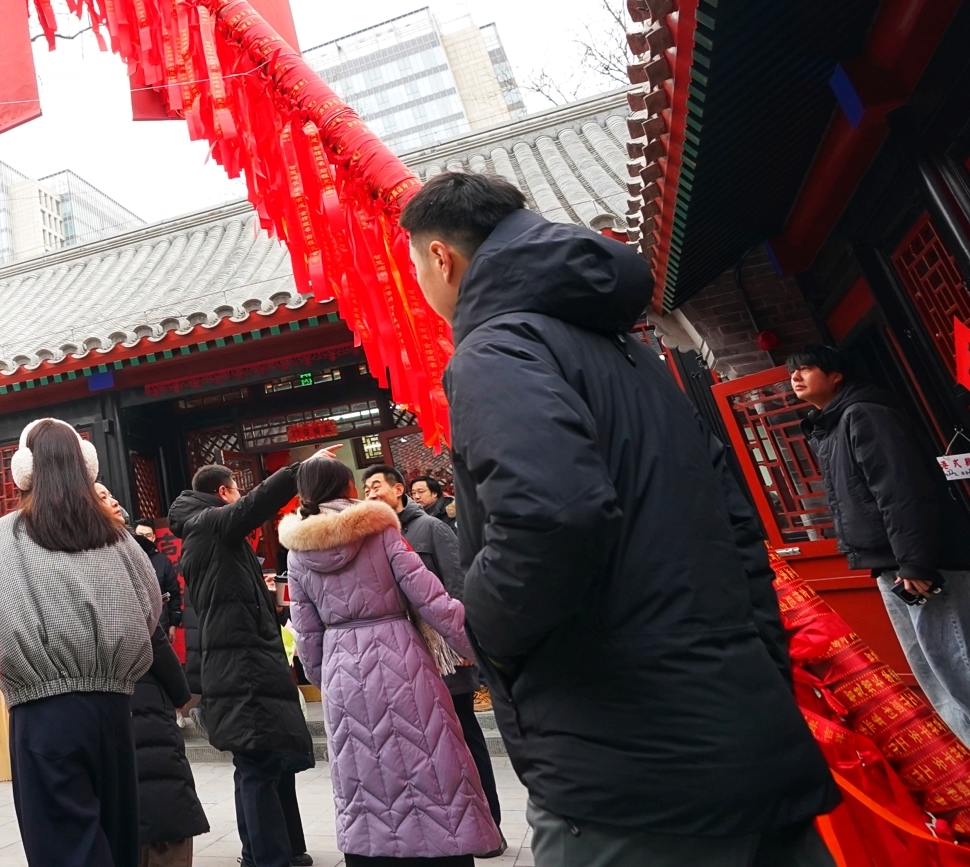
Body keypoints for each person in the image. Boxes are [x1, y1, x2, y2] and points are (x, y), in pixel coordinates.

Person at [401, 171, 836, 866]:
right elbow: (736, 528)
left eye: (416, 266)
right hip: (745, 732)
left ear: (440, 257)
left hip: (626, 759)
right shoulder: (629, 352)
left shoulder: (496, 350)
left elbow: (553, 514)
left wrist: (493, 634)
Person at [0, 419, 162, 867]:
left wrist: (20, 633)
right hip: (113, 707)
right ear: (87, 465)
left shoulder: (6, 533)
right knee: (117, 835)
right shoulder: (117, 536)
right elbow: (150, 608)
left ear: (23, 470)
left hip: (43, 711)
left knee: (62, 844)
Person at [285, 454, 501, 866]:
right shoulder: (381, 530)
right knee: (432, 760)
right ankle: (445, 849)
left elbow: (307, 634)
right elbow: (432, 598)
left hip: (342, 667)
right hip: (402, 656)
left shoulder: (297, 554)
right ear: (349, 488)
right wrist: (481, 651)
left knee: (363, 773)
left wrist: (325, 679)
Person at [791, 344, 970, 745]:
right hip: (893, 564)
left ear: (836, 375)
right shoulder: (831, 425)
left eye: (806, 368)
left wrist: (916, 563)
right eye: (792, 372)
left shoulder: (863, 414)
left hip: (923, 565)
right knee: (935, 676)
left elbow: (901, 491)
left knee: (958, 666)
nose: (795, 377)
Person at [168, 463, 314, 867]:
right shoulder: (208, 524)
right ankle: (267, 858)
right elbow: (255, 506)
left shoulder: (204, 532)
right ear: (224, 493)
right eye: (236, 490)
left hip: (244, 658)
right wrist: (299, 470)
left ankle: (271, 850)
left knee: (261, 759)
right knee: (258, 762)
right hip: (242, 664)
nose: (239, 497)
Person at [361, 465, 500, 839]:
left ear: (398, 489)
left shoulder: (430, 528)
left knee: (464, 734)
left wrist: (463, 640)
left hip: (445, 650)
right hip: (407, 654)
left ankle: (491, 823)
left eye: (376, 485)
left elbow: (457, 584)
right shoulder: (376, 534)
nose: (370, 493)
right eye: (366, 488)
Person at [131, 624, 209, 867]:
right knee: (165, 807)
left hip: (98, 711)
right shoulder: (132, 606)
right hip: (148, 703)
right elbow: (158, 646)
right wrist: (181, 694)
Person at [133, 521, 184, 637]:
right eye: (140, 535)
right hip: (135, 626)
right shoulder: (127, 559)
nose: (144, 539)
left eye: (148, 535)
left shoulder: (162, 561)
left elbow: (173, 593)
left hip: (160, 625)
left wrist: (174, 624)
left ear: (153, 537)